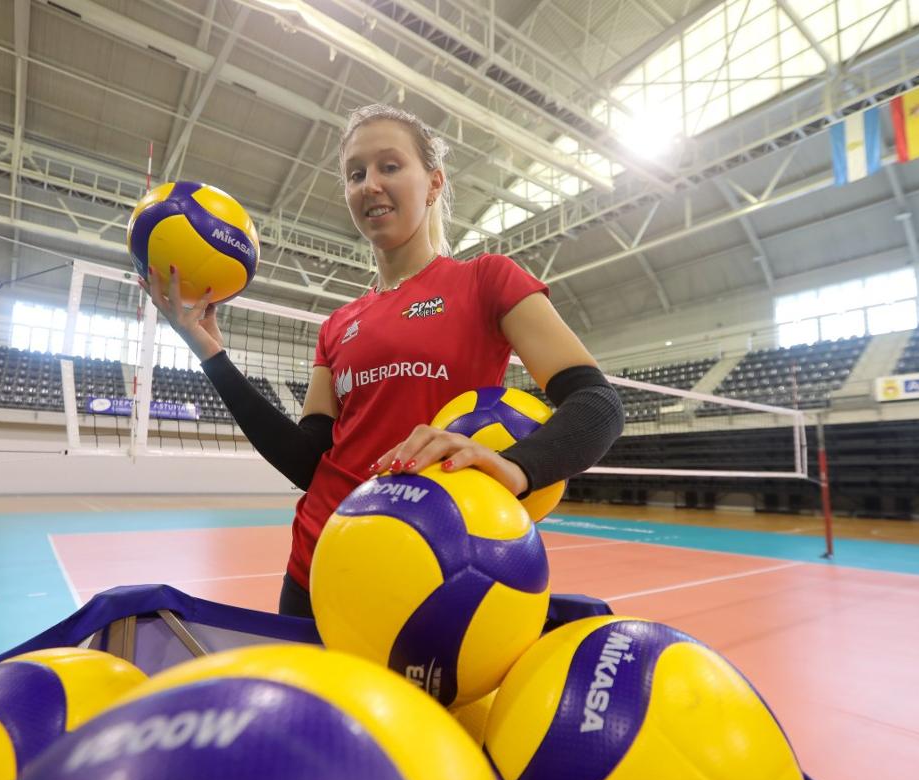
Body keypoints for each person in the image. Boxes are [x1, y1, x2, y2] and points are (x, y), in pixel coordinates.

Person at [140, 104, 624, 618]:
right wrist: (210, 352)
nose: (370, 184)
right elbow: (309, 462)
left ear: (434, 183)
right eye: (356, 173)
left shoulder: (486, 281)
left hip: (427, 574)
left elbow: (597, 403)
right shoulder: (338, 325)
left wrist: (516, 468)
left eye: (389, 167)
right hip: (317, 564)